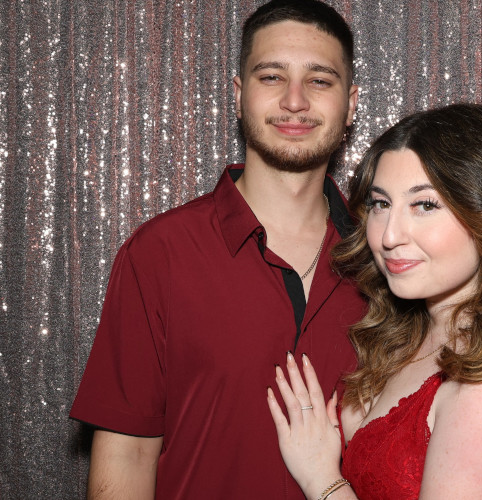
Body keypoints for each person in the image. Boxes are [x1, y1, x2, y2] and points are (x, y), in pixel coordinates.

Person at [69, 1, 364, 498]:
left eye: (319, 80)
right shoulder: (158, 253)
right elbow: (127, 456)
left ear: (351, 103)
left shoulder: (390, 259)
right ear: (239, 95)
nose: (295, 100)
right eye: (271, 77)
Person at [267, 103, 482, 499]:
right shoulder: (406, 338)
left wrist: (321, 479)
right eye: (380, 204)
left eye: (424, 205)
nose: (389, 236)